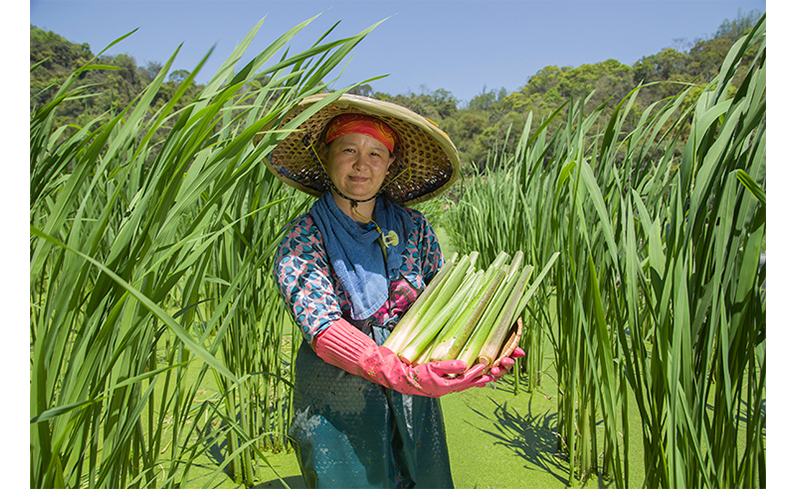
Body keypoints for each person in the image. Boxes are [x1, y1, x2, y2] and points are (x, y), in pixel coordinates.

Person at [268, 94, 524, 489]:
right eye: (348, 149)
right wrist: (388, 368)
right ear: (326, 155)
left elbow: (448, 296)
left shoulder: (414, 228)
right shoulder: (303, 238)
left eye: (375, 153)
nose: (361, 164)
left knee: (420, 476)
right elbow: (320, 325)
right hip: (339, 398)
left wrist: (493, 336)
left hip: (414, 391)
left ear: (390, 164)